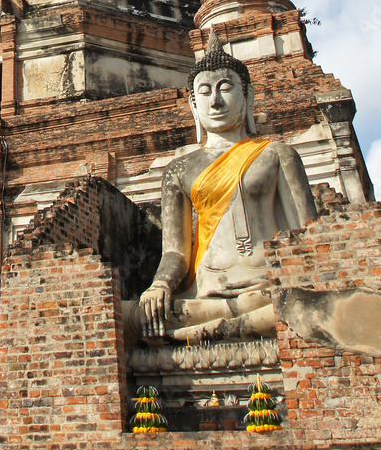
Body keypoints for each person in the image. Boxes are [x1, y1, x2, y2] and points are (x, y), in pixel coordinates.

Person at [124, 31, 316, 345]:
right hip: (205, 294)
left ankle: (217, 330)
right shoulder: (179, 170)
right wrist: (160, 285)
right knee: (123, 317)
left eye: (225, 88)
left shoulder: (277, 155)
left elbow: (307, 238)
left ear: (248, 96)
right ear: (193, 104)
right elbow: (175, 252)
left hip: (267, 288)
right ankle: (234, 326)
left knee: (300, 306)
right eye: (205, 92)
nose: (215, 101)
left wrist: (297, 282)